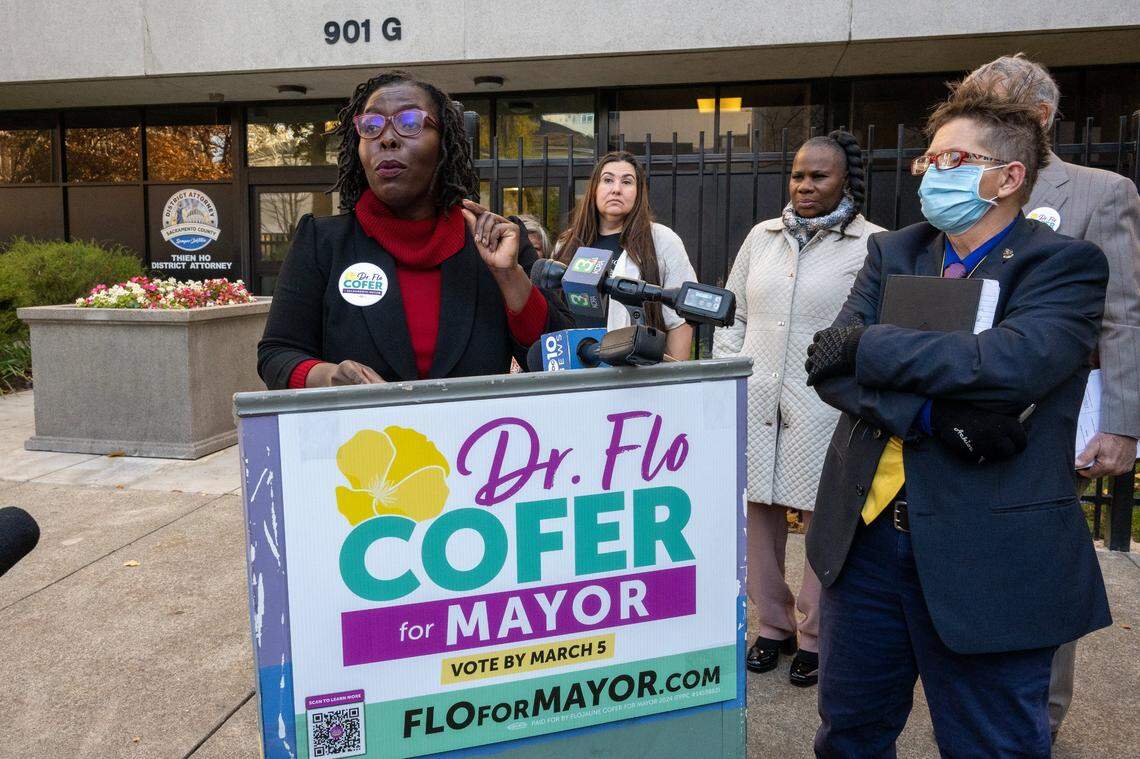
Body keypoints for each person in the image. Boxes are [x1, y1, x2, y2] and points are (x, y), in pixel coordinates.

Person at [803, 85, 1111, 756]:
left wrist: (869, 344)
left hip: (987, 558)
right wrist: (933, 414)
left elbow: (1009, 364)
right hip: (867, 546)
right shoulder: (896, 252)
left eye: (951, 159)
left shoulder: (1063, 264)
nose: (929, 172)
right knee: (850, 733)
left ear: (1007, 177)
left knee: (990, 743)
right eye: (929, 159)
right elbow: (827, 367)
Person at [955, 53, 1140, 741]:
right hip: (959, 404)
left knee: (1037, 559)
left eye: (989, 107)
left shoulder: (1100, 191)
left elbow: (1123, 313)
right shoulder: (955, 184)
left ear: (1038, 117)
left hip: (1050, 417)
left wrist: (1122, 423)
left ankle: (1041, 711)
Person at [257, 72, 572, 389]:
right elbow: (277, 355)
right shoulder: (321, 241)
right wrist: (328, 375)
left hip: (476, 436)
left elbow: (557, 357)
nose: (387, 138)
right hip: (364, 437)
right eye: (371, 126)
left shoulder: (498, 241)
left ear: (444, 141)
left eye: (409, 123)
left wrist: (509, 277)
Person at [713, 130, 883, 687]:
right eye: (798, 175)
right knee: (756, 514)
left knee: (821, 521)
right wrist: (728, 370)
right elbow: (732, 313)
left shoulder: (872, 244)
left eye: (819, 177)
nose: (805, 186)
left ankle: (815, 634)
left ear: (846, 181)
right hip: (757, 394)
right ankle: (773, 627)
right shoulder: (761, 237)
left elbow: (875, 330)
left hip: (823, 404)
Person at [553, 151, 696, 360]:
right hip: (576, 366)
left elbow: (680, 318)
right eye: (608, 180)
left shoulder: (662, 240)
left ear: (639, 192)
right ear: (594, 189)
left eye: (627, 182)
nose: (616, 189)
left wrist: (673, 378)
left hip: (632, 371)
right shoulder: (567, 244)